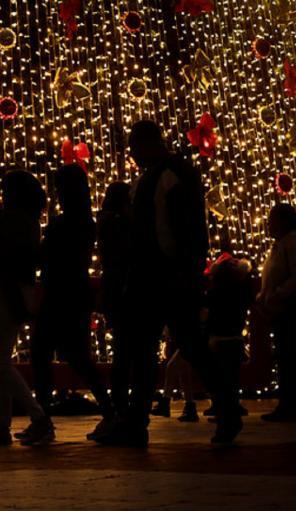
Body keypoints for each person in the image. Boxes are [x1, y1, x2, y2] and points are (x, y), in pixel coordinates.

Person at [96, 120, 211, 447]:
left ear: (147, 143)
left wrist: (187, 269)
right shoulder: (149, 179)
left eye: (133, 147)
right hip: (149, 275)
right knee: (143, 349)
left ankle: (227, 407)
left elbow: (187, 228)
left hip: (170, 274)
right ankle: (136, 421)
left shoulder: (173, 175)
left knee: (188, 344)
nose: (131, 154)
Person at [30, 164, 114, 439]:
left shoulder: (61, 223)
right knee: (78, 358)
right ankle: (110, 411)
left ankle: (43, 418)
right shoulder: (88, 223)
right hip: (77, 293)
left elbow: (44, 256)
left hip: (58, 294)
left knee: (42, 354)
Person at [0, 170, 54, 446]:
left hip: (7, 290)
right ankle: (2, 423)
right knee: (1, 359)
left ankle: (37, 416)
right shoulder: (30, 220)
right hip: (22, 289)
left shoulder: (8, 221)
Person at [257, 204, 296, 422]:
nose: (268, 223)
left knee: (289, 355)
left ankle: (290, 405)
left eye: (272, 219)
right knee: (284, 356)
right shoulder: (280, 245)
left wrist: (276, 294)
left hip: (289, 309)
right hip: (278, 309)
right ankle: (286, 403)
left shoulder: (292, 244)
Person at [205, 252, 254, 443]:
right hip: (234, 339)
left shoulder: (217, 292)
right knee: (230, 379)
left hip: (220, 339)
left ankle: (227, 413)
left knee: (221, 379)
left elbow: (210, 315)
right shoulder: (241, 291)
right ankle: (231, 410)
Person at [96, 181, 132, 418]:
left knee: (122, 350)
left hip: (113, 291)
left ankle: (119, 404)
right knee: (127, 351)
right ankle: (121, 404)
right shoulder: (121, 224)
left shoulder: (104, 222)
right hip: (125, 291)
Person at [151, 338, 199, 422]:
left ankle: (165, 403)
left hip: (189, 342)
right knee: (184, 373)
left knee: (172, 367)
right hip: (191, 341)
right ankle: (190, 407)